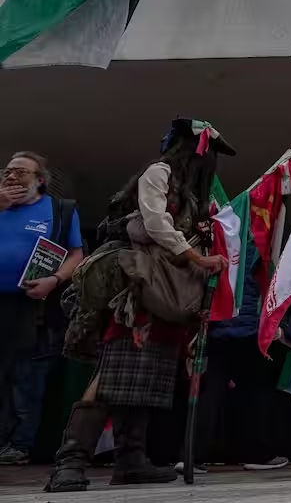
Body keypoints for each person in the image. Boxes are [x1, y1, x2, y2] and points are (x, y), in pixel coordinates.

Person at [45, 120, 232, 492]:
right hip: (138, 291)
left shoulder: (195, 196)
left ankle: (131, 460)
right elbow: (155, 222)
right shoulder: (159, 173)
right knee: (111, 376)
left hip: (169, 295)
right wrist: (197, 256)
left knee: (145, 381)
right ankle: (71, 461)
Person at [0, 152, 83, 466]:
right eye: (7, 171)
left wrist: (55, 279)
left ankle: (19, 445)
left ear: (40, 180)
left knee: (26, 378)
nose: (11, 176)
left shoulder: (59, 210)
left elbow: (77, 254)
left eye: (20, 172)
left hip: (33, 308)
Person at [179, 248, 291, 475]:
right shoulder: (262, 241)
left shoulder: (219, 237)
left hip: (219, 325)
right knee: (256, 391)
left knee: (211, 392)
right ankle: (259, 454)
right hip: (252, 328)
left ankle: (192, 457)